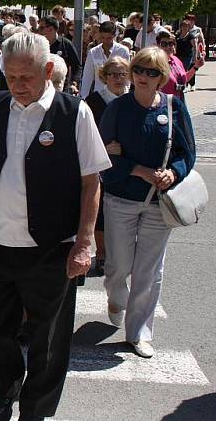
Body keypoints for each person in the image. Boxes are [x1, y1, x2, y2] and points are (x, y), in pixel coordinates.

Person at [0, 31, 110, 421]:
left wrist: (84, 242)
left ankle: (35, 411)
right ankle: (5, 388)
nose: (18, 86)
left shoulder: (73, 112)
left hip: (51, 245)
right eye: (10, 78)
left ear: (48, 70)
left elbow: (91, 181)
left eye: (26, 77)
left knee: (49, 338)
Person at [99, 46, 196, 359]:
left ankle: (138, 332)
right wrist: (137, 169)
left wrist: (173, 172)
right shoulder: (117, 109)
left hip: (158, 202)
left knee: (149, 271)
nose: (143, 76)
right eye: (139, 69)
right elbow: (101, 156)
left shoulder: (174, 108)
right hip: (122, 198)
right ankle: (115, 294)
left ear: (161, 77)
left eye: (151, 72)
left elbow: (187, 153)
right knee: (118, 266)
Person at [84, 56, 131, 277]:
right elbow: (86, 134)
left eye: (123, 74)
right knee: (101, 212)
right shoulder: (94, 101)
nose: (118, 79)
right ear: (105, 77)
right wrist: (103, 147)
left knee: (124, 210)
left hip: (128, 163)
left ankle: (120, 254)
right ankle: (102, 255)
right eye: (113, 74)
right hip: (101, 163)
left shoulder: (133, 99)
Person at [80, 21, 132, 98]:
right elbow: (87, 76)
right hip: (99, 96)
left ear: (114, 35)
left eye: (109, 38)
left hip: (118, 95)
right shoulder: (93, 52)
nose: (105, 41)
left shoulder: (123, 51)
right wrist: (84, 97)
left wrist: (125, 93)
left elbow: (127, 73)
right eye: (103, 37)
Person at [38, 15, 82, 95]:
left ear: (51, 29)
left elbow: (77, 66)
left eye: (41, 28)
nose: (38, 30)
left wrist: (74, 83)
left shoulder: (66, 44)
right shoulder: (38, 45)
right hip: (41, 88)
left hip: (61, 88)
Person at [156, 30, 188, 102]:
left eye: (171, 44)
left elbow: (184, 78)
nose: (168, 47)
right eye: (164, 44)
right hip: (163, 101)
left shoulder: (176, 60)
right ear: (158, 45)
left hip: (179, 99)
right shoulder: (155, 63)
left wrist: (195, 67)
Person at [175, 15, 201, 92]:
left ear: (189, 28)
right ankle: (179, 84)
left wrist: (195, 57)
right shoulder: (178, 35)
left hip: (187, 56)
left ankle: (184, 85)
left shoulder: (190, 36)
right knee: (178, 71)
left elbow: (195, 46)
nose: (184, 28)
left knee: (184, 71)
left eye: (186, 26)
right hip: (178, 56)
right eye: (183, 26)